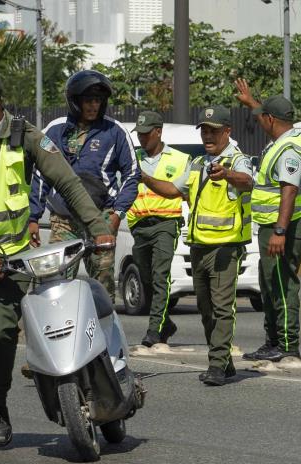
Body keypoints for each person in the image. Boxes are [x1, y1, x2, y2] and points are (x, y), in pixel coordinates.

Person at [0, 65, 114, 454]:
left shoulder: (26, 137)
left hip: (13, 256)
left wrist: (98, 226)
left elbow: (66, 181)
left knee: (0, 334)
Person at [140, 105, 254, 385]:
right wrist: (144, 177)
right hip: (199, 246)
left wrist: (226, 175)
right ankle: (224, 361)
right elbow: (173, 191)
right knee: (205, 308)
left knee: (223, 307)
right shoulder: (197, 163)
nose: (207, 136)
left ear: (227, 132)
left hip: (225, 248)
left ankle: (216, 365)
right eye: (204, 130)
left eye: (213, 131)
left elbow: (248, 182)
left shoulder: (237, 161)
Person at [29, 70, 140, 302]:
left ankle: (104, 334)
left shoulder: (115, 131)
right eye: (88, 100)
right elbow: (40, 174)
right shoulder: (55, 130)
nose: (93, 106)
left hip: (102, 220)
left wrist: (117, 214)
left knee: (103, 288)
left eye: (98, 101)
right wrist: (33, 218)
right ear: (75, 101)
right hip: (64, 221)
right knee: (54, 283)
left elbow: (132, 174)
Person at [234, 78, 301, 362]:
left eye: (262, 116)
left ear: (271, 119)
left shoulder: (289, 150)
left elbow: (288, 191)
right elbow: (263, 115)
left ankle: (288, 345)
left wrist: (280, 230)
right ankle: (273, 341)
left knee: (282, 284)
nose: (259, 121)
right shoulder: (282, 140)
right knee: (269, 284)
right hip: (272, 227)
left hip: (284, 228)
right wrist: (252, 102)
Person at [127, 111, 191, 347]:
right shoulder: (133, 158)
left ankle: (154, 331)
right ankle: (166, 324)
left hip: (166, 223)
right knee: (145, 277)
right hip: (139, 225)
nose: (142, 139)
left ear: (158, 131)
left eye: (146, 134)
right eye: (139, 134)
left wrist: (145, 178)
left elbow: (179, 190)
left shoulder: (179, 158)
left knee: (159, 275)